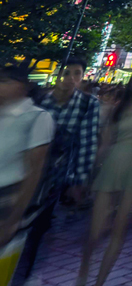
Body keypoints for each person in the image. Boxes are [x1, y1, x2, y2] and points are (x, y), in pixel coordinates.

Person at [77, 67, 132, 286]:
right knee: (94, 233)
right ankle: (83, 273)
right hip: (113, 164)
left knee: (119, 232)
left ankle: (100, 281)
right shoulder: (119, 106)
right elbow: (105, 143)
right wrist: (90, 172)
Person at [20, 59, 101, 279]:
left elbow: (87, 141)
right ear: (57, 75)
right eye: (66, 73)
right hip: (28, 168)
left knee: (39, 224)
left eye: (77, 74)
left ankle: (25, 272)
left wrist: (78, 180)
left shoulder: (88, 103)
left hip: (56, 173)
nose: (70, 78)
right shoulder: (41, 100)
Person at [0, 62, 54, 282]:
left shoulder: (37, 117)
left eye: (4, 82)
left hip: (7, 201)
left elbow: (34, 172)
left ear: (22, 86)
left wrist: (14, 219)